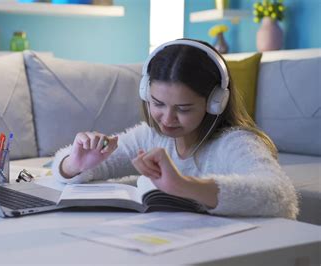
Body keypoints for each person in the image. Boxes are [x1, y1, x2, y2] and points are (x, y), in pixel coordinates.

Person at [51, 39, 299, 219]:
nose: (167, 119)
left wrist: (183, 185)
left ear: (215, 103)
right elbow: (68, 167)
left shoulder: (235, 142)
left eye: (183, 108)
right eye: (158, 104)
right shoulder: (150, 136)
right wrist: (76, 163)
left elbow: (280, 194)